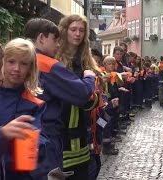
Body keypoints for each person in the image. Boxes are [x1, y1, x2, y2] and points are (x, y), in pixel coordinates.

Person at [24, 18, 96, 178]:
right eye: (54, 39)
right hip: (50, 135)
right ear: (42, 38)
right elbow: (82, 93)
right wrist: (90, 78)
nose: (57, 44)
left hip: (25, 133)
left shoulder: (20, 61)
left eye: (81, 30)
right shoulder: (48, 64)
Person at [0, 38, 48, 179]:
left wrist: (37, 144)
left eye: (23, 64)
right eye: (11, 62)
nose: (16, 69)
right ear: (2, 63)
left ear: (30, 69)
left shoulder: (35, 104)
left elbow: (42, 138)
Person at [56, 14, 102, 180]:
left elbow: (96, 96)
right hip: (58, 128)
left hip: (81, 131)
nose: (77, 34)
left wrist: (87, 97)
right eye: (73, 29)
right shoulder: (54, 59)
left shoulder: (87, 62)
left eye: (81, 30)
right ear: (64, 31)